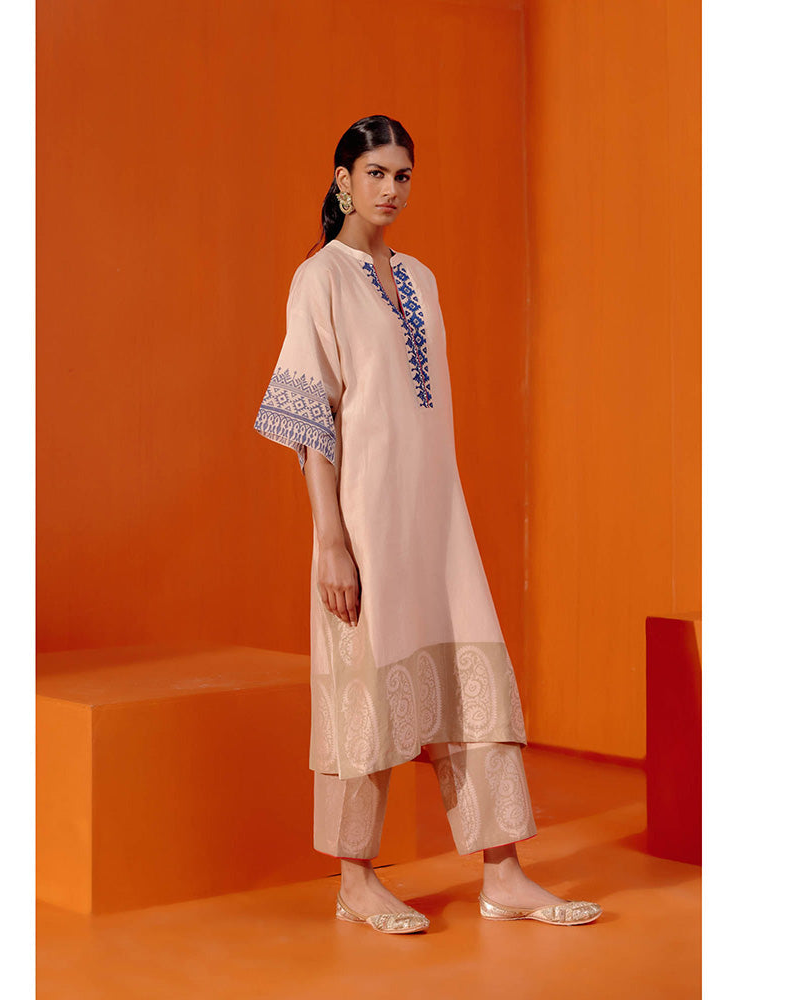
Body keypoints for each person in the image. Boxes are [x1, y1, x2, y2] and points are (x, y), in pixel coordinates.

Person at [253, 115, 601, 935]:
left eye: (402, 175)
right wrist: (331, 541)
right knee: (366, 690)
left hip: (437, 517)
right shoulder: (319, 280)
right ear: (343, 180)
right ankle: (355, 881)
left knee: (475, 684)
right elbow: (311, 421)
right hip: (366, 524)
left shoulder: (422, 278)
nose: (390, 189)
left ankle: (504, 873)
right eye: (375, 173)